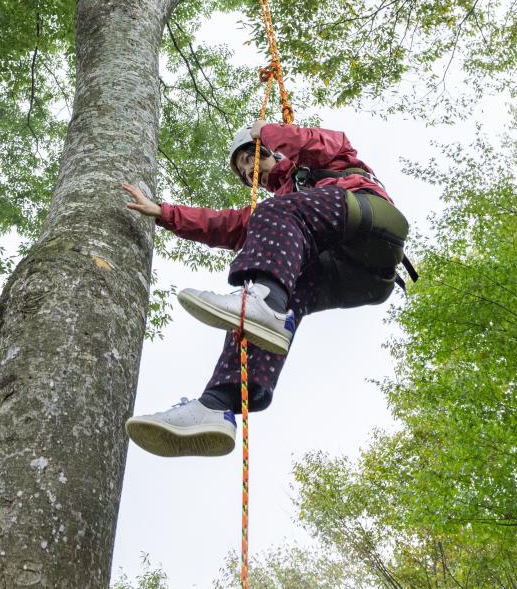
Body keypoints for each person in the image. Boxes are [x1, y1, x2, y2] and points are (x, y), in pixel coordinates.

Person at [120, 121, 410, 457]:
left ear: (266, 149)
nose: (248, 171)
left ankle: (266, 304)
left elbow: (313, 142)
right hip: (352, 276)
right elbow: (224, 224)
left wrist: (265, 132)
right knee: (256, 320)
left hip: (369, 221)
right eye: (243, 170)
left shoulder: (325, 160)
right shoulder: (279, 210)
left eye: (248, 158)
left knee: (273, 222)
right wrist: (165, 213)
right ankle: (216, 405)